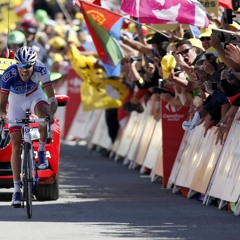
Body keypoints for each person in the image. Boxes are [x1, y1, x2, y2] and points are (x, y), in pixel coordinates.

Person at [0, 46, 58, 207]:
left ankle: (40, 150)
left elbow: (51, 98)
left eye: (27, 67)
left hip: (34, 96)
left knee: (44, 114)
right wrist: (4, 117)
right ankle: (17, 190)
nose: (24, 70)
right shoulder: (8, 74)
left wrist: (51, 114)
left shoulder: (41, 69)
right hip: (16, 103)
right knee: (16, 144)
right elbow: (2, 105)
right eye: (20, 67)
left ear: (34, 65)